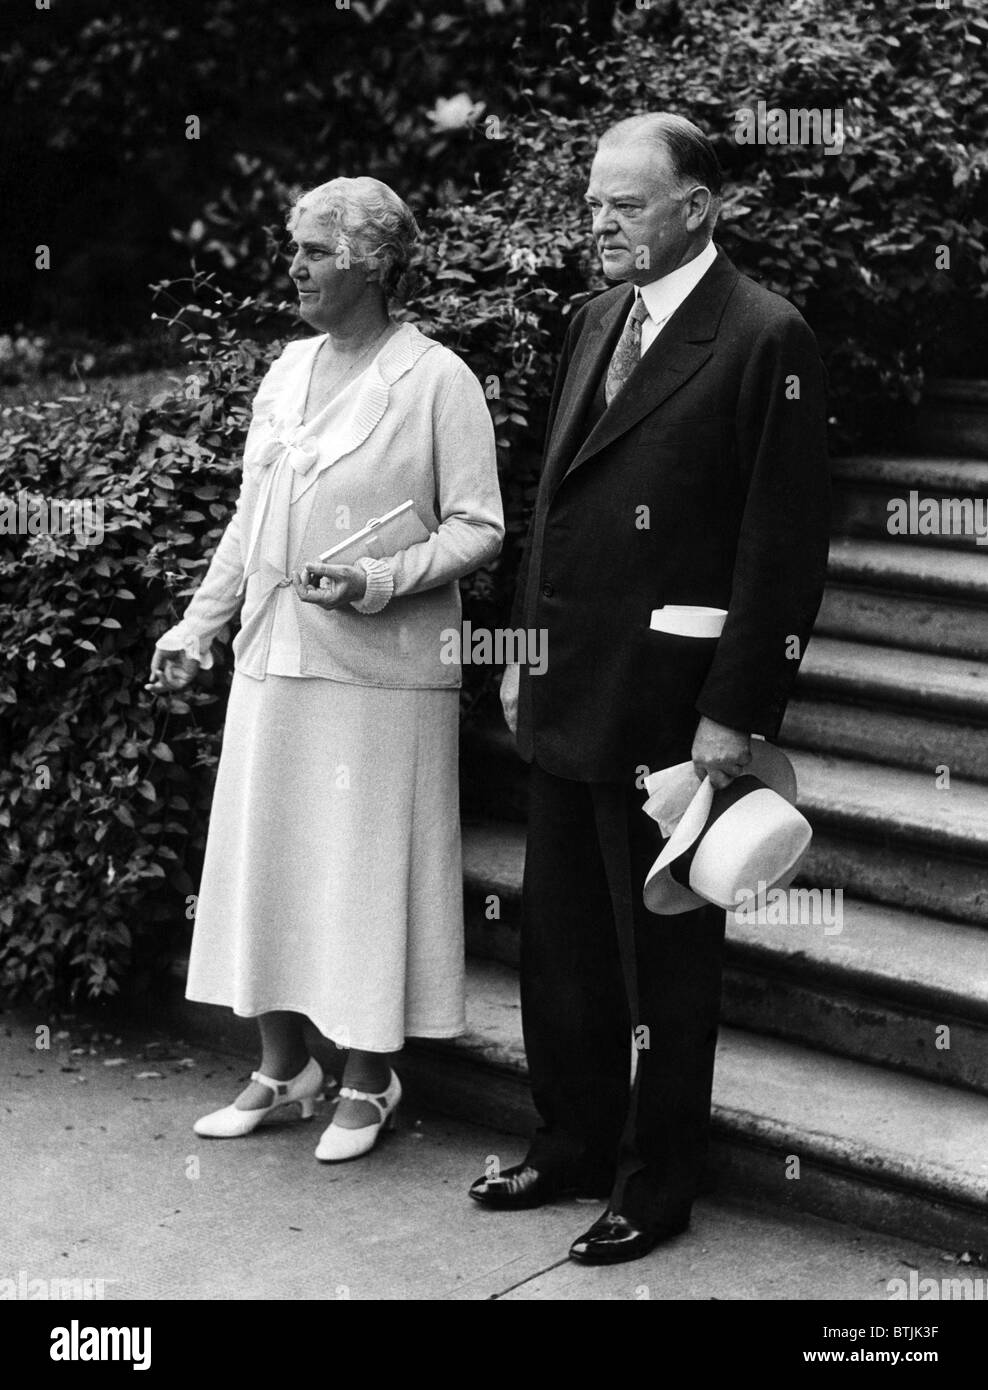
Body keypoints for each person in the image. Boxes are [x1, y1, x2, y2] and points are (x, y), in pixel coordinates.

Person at [468, 113, 830, 1263]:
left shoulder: (765, 334)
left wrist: (738, 709)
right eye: (590, 203)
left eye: (625, 202)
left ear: (698, 206)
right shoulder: (591, 322)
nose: (600, 222)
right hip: (571, 685)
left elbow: (783, 546)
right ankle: (570, 1140)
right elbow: (554, 511)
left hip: (677, 712)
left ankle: (654, 1181)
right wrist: (523, 647)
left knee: (660, 963)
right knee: (561, 947)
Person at [148, 176, 503, 1162]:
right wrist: (197, 625)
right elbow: (249, 516)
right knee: (269, 861)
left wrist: (381, 577)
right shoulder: (287, 369)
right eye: (294, 247)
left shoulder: (436, 379)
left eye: (312, 250)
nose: (292, 266)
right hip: (275, 655)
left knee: (355, 874)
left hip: (379, 672)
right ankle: (280, 1066)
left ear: (374, 263)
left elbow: (481, 526)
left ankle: (367, 1077)